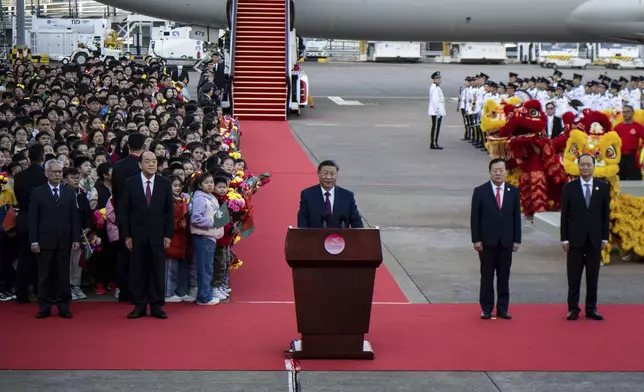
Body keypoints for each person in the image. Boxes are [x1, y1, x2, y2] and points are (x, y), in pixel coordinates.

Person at [119, 151, 174, 319]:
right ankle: (139, 305)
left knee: (157, 271)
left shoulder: (164, 183)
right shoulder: (130, 183)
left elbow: (169, 212)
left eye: (154, 161)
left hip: (158, 236)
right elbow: (124, 211)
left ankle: (157, 306)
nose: (152, 164)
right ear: (140, 164)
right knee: (138, 271)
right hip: (137, 236)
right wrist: (127, 235)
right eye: (148, 161)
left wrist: (168, 235)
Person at [470, 158, 521, 320]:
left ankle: (503, 308)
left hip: (506, 241)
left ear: (506, 172)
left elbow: (516, 218)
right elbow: (475, 218)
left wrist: (516, 239)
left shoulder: (513, 191)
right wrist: (476, 239)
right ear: (490, 172)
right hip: (487, 242)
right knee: (487, 276)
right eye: (495, 170)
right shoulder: (480, 191)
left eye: (501, 170)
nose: (498, 173)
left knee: (504, 276)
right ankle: (486, 308)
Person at [560, 154, 609, 321]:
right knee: (574, 276)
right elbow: (564, 215)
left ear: (594, 166)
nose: (585, 168)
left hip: (595, 239)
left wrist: (604, 238)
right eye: (582, 165)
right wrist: (564, 238)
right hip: (575, 239)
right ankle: (573, 308)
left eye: (588, 165)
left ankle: (591, 308)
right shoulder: (569, 187)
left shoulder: (603, 187)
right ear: (578, 166)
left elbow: (605, 214)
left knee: (592, 276)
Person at [29, 160, 81, 318]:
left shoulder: (69, 192)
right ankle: (44, 307)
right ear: (46, 173)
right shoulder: (38, 193)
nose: (58, 174)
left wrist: (76, 238)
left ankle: (64, 306)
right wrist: (34, 241)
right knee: (44, 275)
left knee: (63, 275)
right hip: (44, 241)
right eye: (54, 172)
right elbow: (33, 219)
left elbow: (74, 218)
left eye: (60, 171)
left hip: (64, 241)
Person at [111, 133, 145, 302]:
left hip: (123, 214)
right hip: (141, 216)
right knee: (139, 255)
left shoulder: (118, 165)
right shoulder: (144, 166)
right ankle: (137, 291)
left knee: (124, 253)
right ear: (144, 147)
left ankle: (123, 290)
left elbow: (115, 193)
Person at [13, 144, 47, 303]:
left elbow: (19, 199)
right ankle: (43, 291)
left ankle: (22, 292)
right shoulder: (45, 176)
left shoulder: (19, 177)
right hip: (43, 221)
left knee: (24, 257)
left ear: (29, 157)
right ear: (43, 156)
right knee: (43, 258)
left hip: (24, 220)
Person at [297, 160, 363, 229]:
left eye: (332, 174)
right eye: (325, 173)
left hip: (340, 239)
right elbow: (302, 222)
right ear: (318, 174)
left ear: (337, 175)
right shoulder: (308, 195)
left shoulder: (347, 196)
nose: (329, 177)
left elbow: (356, 221)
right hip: (315, 238)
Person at [614, 105, 644, 181]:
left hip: (633, 157)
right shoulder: (617, 127)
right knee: (619, 179)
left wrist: (641, 151)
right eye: (623, 112)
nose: (625, 114)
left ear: (633, 113)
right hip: (620, 157)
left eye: (627, 112)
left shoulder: (638, 127)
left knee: (635, 179)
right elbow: (612, 141)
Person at [428, 71, 446, 150]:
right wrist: (438, 112)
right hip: (436, 112)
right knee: (435, 128)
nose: (439, 80)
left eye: (439, 78)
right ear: (434, 79)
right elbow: (435, 101)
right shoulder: (435, 88)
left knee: (436, 128)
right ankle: (434, 143)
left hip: (437, 112)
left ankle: (434, 142)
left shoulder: (436, 87)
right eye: (438, 78)